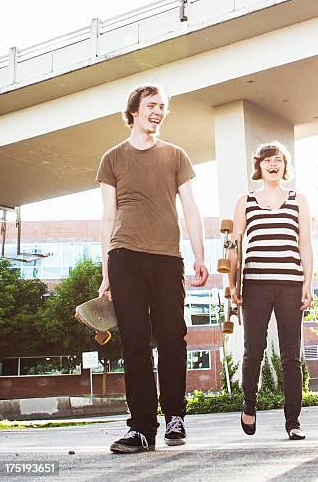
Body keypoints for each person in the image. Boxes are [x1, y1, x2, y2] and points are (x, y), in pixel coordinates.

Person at [97, 84, 209, 453]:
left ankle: (175, 416)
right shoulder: (112, 158)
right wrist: (105, 272)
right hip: (124, 256)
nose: (158, 112)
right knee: (134, 343)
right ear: (134, 111)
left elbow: (191, 208)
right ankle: (141, 428)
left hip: (166, 258)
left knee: (172, 336)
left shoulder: (176, 155)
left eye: (163, 107)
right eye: (151, 105)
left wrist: (199, 255)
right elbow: (107, 216)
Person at [230, 141, 313, 440]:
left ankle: (293, 421)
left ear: (284, 165)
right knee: (254, 351)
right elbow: (235, 244)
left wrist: (308, 282)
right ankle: (248, 405)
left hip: (291, 284)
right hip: (255, 285)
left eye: (278, 159)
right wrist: (232, 282)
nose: (273, 164)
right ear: (259, 167)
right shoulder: (246, 201)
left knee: (292, 355)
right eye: (267, 160)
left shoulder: (298, 199)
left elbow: (305, 243)